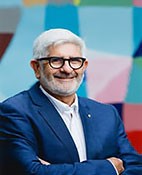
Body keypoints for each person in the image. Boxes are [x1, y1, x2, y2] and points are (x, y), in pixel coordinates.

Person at [0, 28, 142, 175]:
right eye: (55, 60)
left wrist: (53, 170)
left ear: (84, 66)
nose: (67, 69)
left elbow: (136, 167)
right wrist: (109, 167)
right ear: (37, 67)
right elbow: (32, 172)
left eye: (75, 61)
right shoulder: (14, 112)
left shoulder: (106, 114)